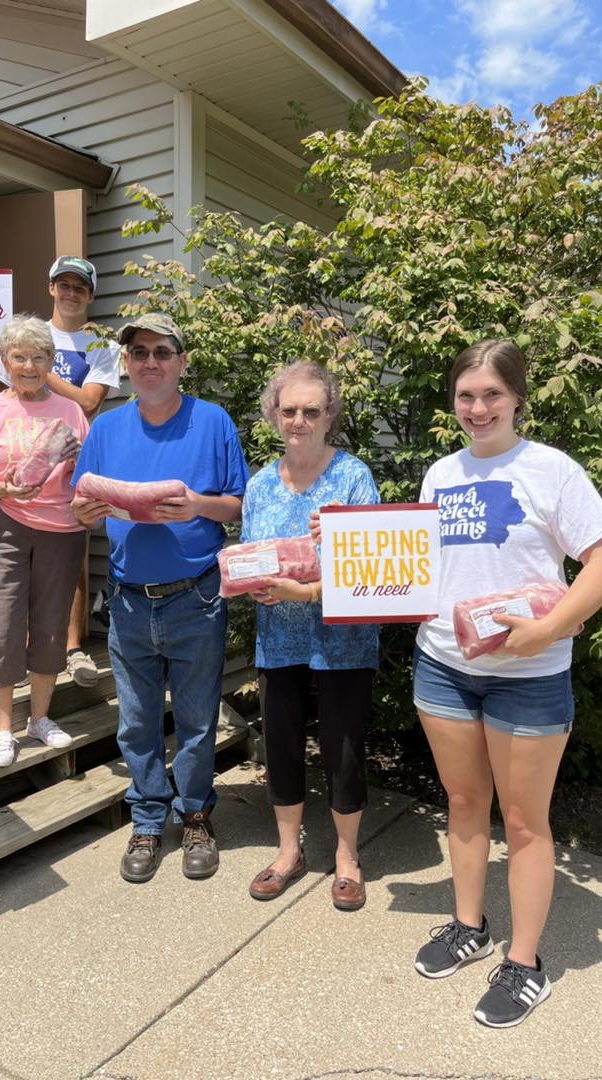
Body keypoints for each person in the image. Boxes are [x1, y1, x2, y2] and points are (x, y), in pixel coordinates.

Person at [411, 339, 602, 1028]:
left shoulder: (551, 470)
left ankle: (525, 963)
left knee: (526, 823)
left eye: (491, 395)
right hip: (443, 665)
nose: (477, 409)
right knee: (464, 802)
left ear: (516, 398)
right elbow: (420, 569)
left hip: (527, 677)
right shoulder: (440, 474)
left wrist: (549, 628)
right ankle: (469, 926)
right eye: (466, 396)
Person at [71, 313, 249, 883]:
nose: (150, 362)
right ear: (125, 363)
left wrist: (198, 504)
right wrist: (84, 512)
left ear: (182, 362)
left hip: (195, 596)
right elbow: (80, 505)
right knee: (138, 722)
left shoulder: (212, 420)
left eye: (162, 352)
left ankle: (194, 813)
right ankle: (147, 819)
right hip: (127, 599)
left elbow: (238, 504)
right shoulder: (105, 429)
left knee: (197, 721)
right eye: (139, 352)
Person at [242, 362, 379, 911]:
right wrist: (253, 583)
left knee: (344, 751)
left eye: (311, 411)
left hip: (342, 640)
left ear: (330, 416)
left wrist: (307, 590)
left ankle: (347, 858)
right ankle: (287, 852)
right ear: (274, 414)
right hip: (278, 638)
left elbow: (371, 568)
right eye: (289, 409)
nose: (298, 420)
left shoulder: (352, 477)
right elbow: (252, 556)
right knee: (281, 746)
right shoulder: (258, 484)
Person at [0, 256, 119, 688]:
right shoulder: (25, 337)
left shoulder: (101, 343)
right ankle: (20, 662)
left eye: (79, 287)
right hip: (12, 495)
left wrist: (40, 372)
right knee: (11, 592)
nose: (70, 293)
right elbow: (6, 402)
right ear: (50, 288)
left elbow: (87, 402)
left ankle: (72, 647)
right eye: (63, 285)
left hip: (70, 472)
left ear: (91, 295)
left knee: (70, 574)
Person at [0, 315, 89, 768]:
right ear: (5, 361)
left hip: (61, 529)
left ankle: (39, 718)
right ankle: (1, 731)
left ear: (51, 362)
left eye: (39, 357)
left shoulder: (71, 412)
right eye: (20, 357)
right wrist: (6, 489)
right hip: (2, 526)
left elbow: (85, 476)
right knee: (0, 626)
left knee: (51, 626)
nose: (29, 366)